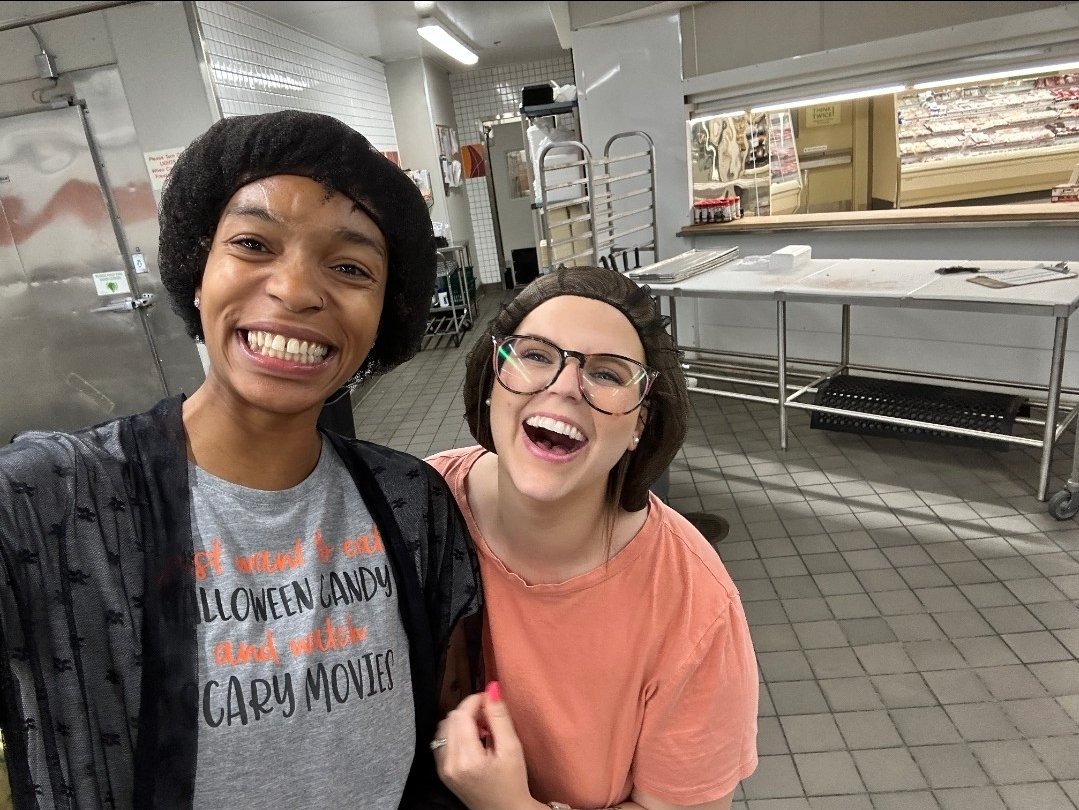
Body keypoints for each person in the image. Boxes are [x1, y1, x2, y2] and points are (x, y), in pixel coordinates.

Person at [0, 110, 481, 809]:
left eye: (350, 267)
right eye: (254, 244)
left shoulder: (411, 503)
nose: (294, 291)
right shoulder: (49, 506)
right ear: (198, 271)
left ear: (385, 313)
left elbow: (448, 718)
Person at [425, 266, 758, 810]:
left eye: (607, 373)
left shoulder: (693, 604)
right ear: (493, 380)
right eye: (534, 354)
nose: (563, 386)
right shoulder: (413, 511)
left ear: (638, 425)